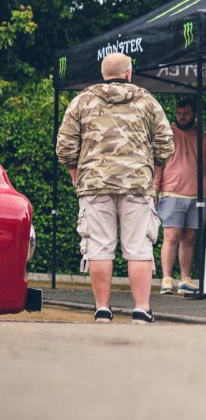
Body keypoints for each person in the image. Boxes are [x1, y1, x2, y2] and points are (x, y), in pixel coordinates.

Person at [56, 52, 174, 324]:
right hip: (137, 185)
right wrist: (151, 172)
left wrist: (76, 175)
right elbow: (166, 145)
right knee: (139, 248)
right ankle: (141, 309)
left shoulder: (82, 101)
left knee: (99, 248)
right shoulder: (147, 101)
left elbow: (65, 147)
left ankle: (102, 309)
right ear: (129, 73)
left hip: (94, 185)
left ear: (103, 73)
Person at [154, 98, 201, 295]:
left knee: (189, 239)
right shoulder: (169, 134)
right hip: (171, 193)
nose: (182, 117)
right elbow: (159, 163)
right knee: (171, 237)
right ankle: (166, 280)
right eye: (179, 113)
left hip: (197, 196)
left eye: (186, 113)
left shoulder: (202, 137)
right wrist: (154, 189)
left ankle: (184, 280)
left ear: (195, 115)